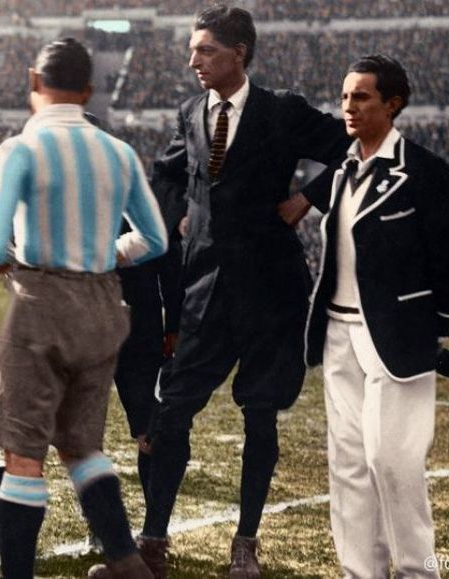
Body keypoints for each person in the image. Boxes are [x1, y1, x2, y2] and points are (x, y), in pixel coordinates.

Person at [141, 6, 349, 578]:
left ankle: (246, 542)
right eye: (193, 49)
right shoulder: (190, 112)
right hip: (205, 291)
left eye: (205, 50)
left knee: (260, 417)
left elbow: (352, 146)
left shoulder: (283, 110)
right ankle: (153, 537)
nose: (193, 60)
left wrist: (307, 197)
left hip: (271, 290)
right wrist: (182, 213)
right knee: (173, 410)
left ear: (240, 53)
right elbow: (166, 172)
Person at [0, 38, 167, 579]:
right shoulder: (119, 152)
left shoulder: (22, 150)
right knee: (84, 446)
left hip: (43, 302)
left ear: (33, 79)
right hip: (104, 301)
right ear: (87, 90)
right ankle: (127, 563)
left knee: (24, 450)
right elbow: (153, 240)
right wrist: (106, 252)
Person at [303, 54, 449, 579]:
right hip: (338, 336)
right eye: (344, 97)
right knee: (348, 468)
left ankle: (422, 570)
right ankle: (359, 571)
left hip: (399, 340)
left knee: (393, 464)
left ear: (393, 104)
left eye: (361, 97)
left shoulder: (426, 172)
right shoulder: (343, 170)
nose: (348, 106)